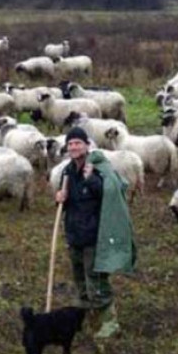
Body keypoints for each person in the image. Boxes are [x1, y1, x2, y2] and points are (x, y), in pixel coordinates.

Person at [54, 127, 136, 339]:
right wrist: (60, 198)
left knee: (96, 279)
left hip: (94, 236)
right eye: (70, 143)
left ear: (86, 145)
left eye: (77, 143)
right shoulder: (68, 171)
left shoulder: (99, 169)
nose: (73, 147)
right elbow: (69, 202)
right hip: (74, 234)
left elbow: (108, 193)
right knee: (80, 279)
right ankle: (89, 316)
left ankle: (110, 321)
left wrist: (90, 179)